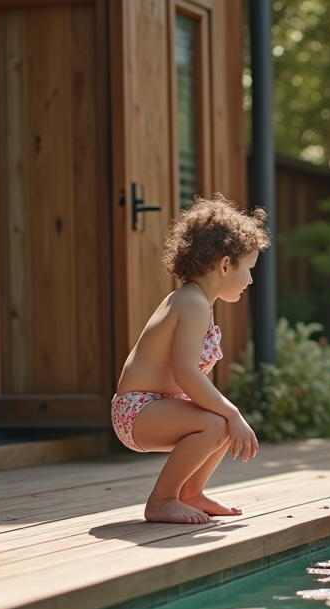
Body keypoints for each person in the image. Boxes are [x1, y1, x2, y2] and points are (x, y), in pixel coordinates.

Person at [112, 195, 267, 524]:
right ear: (225, 265)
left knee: (218, 418)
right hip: (136, 410)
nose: (251, 280)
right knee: (217, 421)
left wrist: (226, 412)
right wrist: (233, 412)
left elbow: (191, 378)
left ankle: (191, 493)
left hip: (151, 407)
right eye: (249, 269)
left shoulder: (195, 301)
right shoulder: (192, 303)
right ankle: (162, 500)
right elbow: (185, 374)